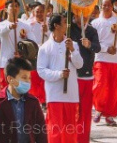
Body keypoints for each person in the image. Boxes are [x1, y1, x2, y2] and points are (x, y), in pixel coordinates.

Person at [37, 14, 83, 143]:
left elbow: (79, 64)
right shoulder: (45, 47)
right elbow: (41, 70)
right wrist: (59, 74)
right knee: (55, 129)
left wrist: (73, 50)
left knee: (70, 129)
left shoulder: (73, 44)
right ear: (56, 26)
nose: (67, 25)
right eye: (64, 22)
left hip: (71, 95)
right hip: (54, 95)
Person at [0, 57, 47, 143]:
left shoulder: (33, 102)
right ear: (10, 79)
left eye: (29, 78)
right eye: (24, 78)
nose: (28, 81)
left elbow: (41, 131)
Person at [91, 0, 117, 126]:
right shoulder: (95, 23)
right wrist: (106, 49)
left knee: (115, 89)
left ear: (112, 6)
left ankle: (110, 115)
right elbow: (94, 44)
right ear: (101, 6)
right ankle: (98, 109)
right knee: (99, 85)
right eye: (104, 5)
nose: (106, 7)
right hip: (101, 58)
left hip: (116, 60)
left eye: (109, 5)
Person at [70, 12, 101, 143]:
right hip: (72, 76)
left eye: (85, 13)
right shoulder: (69, 28)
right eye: (79, 13)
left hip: (87, 76)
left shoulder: (91, 31)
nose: (82, 16)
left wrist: (89, 45)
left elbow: (97, 48)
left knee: (85, 112)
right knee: (72, 111)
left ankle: (82, 139)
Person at [0, 0, 33, 89]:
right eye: (11, 6)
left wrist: (22, 53)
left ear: (19, 8)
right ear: (6, 9)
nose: (14, 8)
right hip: (6, 63)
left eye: (16, 6)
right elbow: (2, 32)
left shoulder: (25, 25)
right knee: (6, 90)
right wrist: (10, 27)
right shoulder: (1, 25)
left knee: (21, 90)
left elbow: (33, 43)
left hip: (21, 63)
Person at [26, 2, 49, 105]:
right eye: (37, 11)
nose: (39, 14)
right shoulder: (28, 24)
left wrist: (47, 31)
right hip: (33, 55)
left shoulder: (50, 23)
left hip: (46, 54)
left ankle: (44, 100)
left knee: (44, 78)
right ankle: (34, 99)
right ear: (33, 12)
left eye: (41, 11)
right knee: (34, 77)